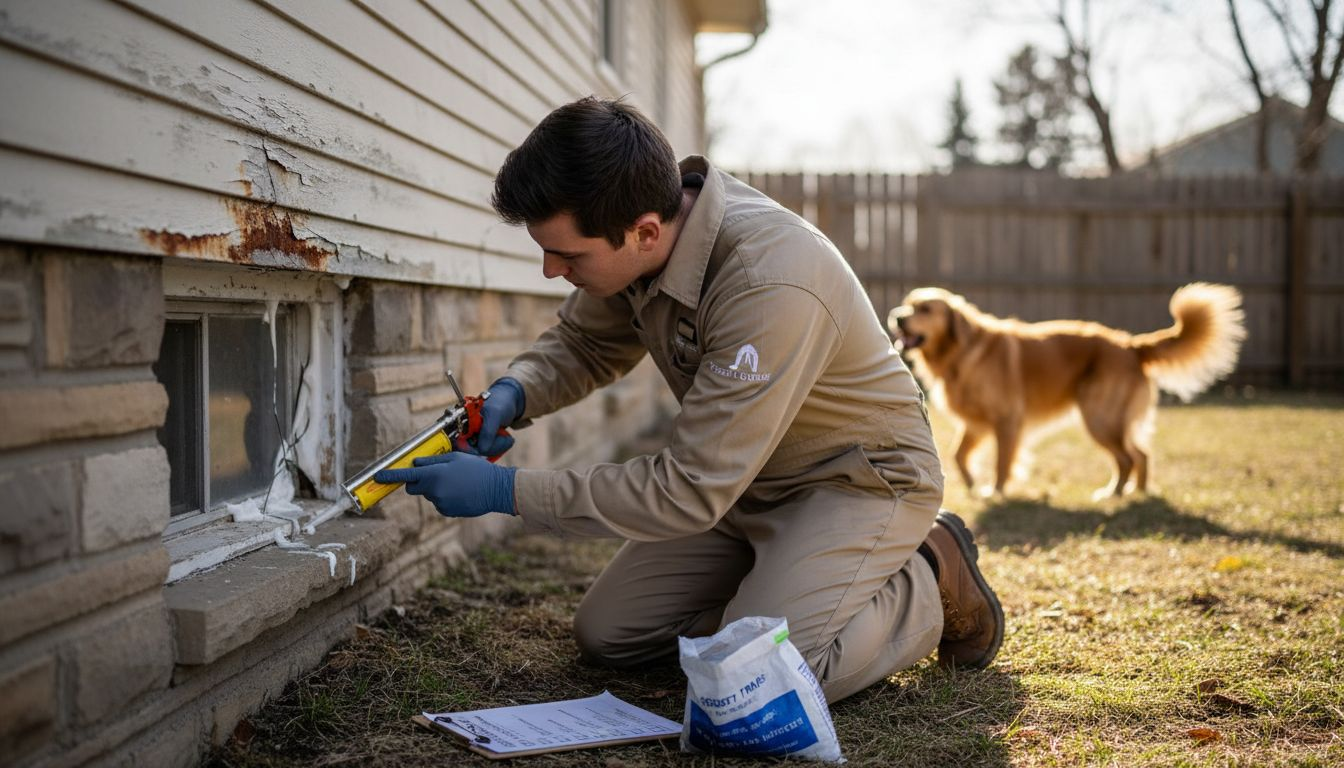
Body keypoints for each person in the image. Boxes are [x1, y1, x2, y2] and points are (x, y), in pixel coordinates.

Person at [374, 97, 1003, 703]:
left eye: (565, 256)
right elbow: (584, 343)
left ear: (645, 232)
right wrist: (515, 393)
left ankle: (928, 571)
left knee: (761, 680)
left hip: (855, 483)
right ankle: (774, 599)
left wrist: (503, 491)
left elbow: (688, 489)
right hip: (745, 480)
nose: (550, 271)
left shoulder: (768, 281)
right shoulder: (642, 230)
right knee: (609, 634)